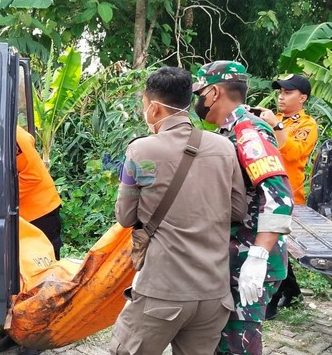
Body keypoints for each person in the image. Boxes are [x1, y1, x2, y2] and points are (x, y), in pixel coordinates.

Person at [110, 67, 247, 355]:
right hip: (213, 295)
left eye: (144, 105)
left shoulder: (141, 151)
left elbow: (124, 216)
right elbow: (238, 209)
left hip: (162, 292)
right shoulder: (224, 147)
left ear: (155, 108)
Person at [191, 61, 294, 355]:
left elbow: (279, 196)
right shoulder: (232, 130)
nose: (199, 101)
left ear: (213, 93)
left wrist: (258, 256)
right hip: (237, 256)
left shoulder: (248, 130)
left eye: (200, 93)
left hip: (249, 260)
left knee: (239, 347)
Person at [0, 125, 63, 354]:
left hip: (40, 213)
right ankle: (16, 333)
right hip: (19, 218)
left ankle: (38, 338)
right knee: (16, 279)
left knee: (42, 280)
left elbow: (29, 176)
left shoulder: (11, 134)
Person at [257, 74, 318, 319]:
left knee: (274, 245)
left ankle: (271, 300)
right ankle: (292, 292)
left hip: (288, 194)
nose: (281, 96)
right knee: (276, 243)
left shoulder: (307, 125)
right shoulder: (276, 119)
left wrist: (277, 126)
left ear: (302, 98)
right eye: (280, 92)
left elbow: (293, 153)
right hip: (265, 189)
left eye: (288, 92)